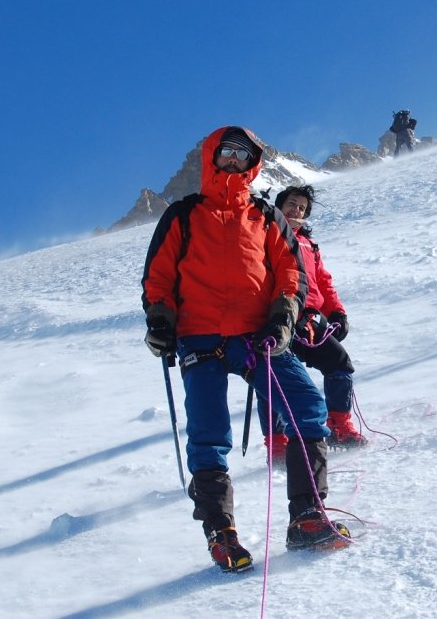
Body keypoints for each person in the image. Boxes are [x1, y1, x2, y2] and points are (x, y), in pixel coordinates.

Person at [141, 125, 348, 571]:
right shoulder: (182, 214)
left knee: (307, 407)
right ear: (212, 156)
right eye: (227, 151)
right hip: (200, 336)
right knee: (209, 433)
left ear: (253, 161)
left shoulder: (265, 215)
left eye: (243, 153)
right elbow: (159, 275)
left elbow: (291, 273)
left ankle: (307, 517)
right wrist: (160, 319)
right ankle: (221, 532)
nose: (234, 159)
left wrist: (282, 320)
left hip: (259, 337)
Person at [258, 185, 366, 462]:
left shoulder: (308, 244)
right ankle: (277, 443)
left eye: (302, 208)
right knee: (272, 379)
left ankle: (338, 426)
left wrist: (337, 313)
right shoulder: (264, 232)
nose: (297, 210)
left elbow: (322, 281)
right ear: (279, 206)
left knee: (339, 363)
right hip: (275, 318)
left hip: (307, 319)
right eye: (292, 204)